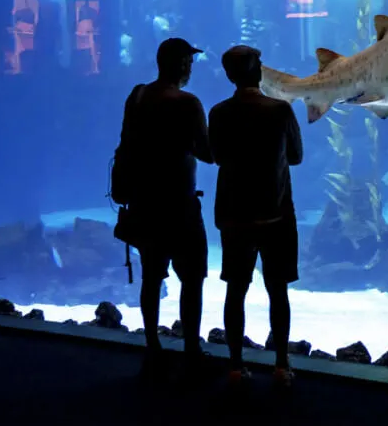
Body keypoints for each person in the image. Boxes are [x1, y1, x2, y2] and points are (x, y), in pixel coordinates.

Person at [116, 37, 213, 379]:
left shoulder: (138, 95)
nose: (191, 68)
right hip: (180, 205)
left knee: (151, 277)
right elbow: (207, 152)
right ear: (182, 64)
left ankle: (153, 347)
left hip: (144, 203)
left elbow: (126, 141)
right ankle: (191, 351)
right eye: (190, 62)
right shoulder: (188, 103)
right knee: (192, 279)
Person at [208, 45, 303, 386]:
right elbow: (296, 156)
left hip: (234, 215)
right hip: (275, 214)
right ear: (258, 72)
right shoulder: (280, 110)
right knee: (278, 291)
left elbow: (217, 156)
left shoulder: (219, 112)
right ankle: (281, 365)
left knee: (236, 290)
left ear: (229, 75)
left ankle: (236, 365)